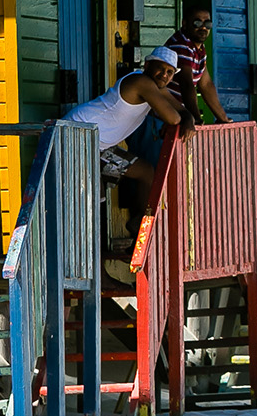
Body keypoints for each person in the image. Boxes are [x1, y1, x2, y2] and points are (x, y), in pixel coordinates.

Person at [68, 48, 196, 277]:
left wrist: (189, 120)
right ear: (147, 66)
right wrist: (183, 120)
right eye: (160, 68)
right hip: (78, 137)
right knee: (92, 200)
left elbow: (183, 112)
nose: (164, 75)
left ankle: (138, 226)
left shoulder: (155, 87)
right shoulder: (141, 82)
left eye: (170, 72)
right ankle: (91, 263)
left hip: (99, 145)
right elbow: (173, 117)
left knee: (146, 172)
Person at [161, 6, 230, 124]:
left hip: (177, 115)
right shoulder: (181, 44)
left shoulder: (199, 48)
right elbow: (186, 84)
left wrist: (223, 118)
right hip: (164, 115)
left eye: (207, 24)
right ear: (184, 24)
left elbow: (206, 85)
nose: (203, 28)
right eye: (197, 23)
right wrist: (195, 118)